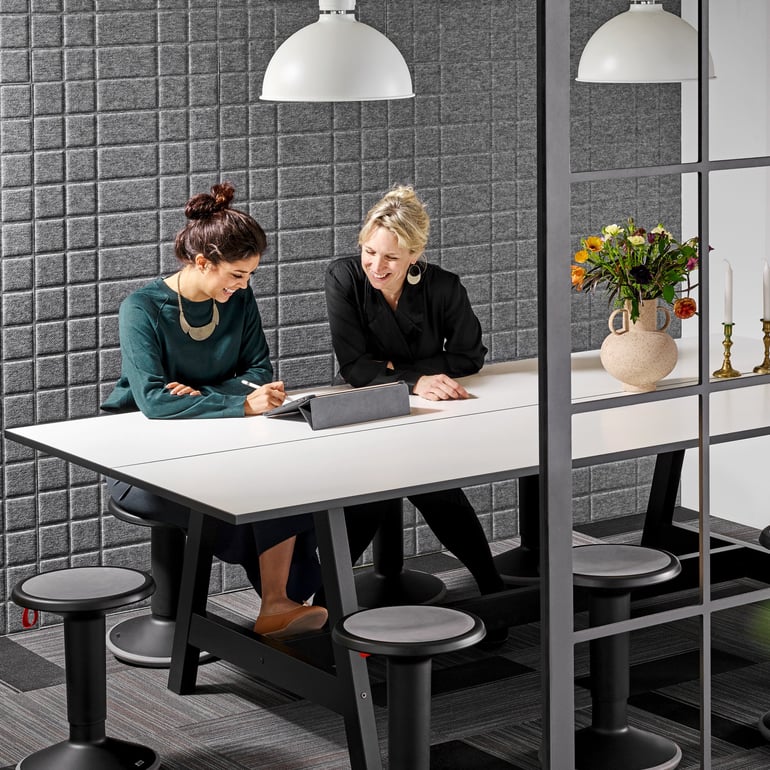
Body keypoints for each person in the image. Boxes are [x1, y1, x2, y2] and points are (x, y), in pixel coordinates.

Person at [101, 181, 326, 639]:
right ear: (203, 262)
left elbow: (260, 369)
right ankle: (281, 600)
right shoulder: (141, 308)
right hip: (142, 460)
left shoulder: (239, 300)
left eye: (249, 276)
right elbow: (154, 401)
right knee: (248, 501)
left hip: (223, 443)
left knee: (288, 481)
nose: (243, 286)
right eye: (237, 275)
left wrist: (203, 395)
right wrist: (237, 402)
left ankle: (281, 602)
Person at [324, 185, 506, 606]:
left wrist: (394, 372)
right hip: (366, 412)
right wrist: (416, 378)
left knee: (428, 484)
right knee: (378, 492)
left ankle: (322, 607)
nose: (376, 265)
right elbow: (354, 367)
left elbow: (469, 356)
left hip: (431, 415)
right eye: (369, 251)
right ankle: (323, 605)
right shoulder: (344, 278)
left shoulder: (443, 286)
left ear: (414, 254)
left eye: (390, 256)